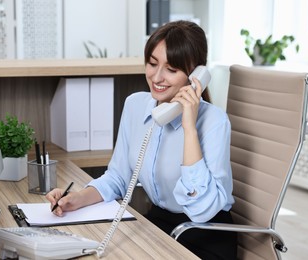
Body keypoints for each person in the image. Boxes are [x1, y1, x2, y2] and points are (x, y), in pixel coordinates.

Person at [46, 20, 237, 260]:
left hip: (206, 235)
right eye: (152, 64)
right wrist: (76, 199)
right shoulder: (135, 106)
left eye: (171, 69)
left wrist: (189, 128)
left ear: (196, 75)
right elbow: (118, 177)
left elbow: (202, 209)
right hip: (159, 224)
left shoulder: (214, 122)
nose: (157, 77)